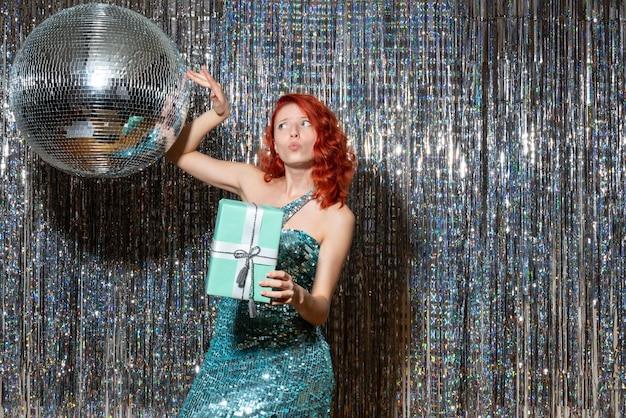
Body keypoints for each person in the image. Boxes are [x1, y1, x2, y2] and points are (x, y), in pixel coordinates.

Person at [166, 66, 356, 417]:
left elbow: (320, 310)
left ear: (323, 135)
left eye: (304, 123)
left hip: (291, 362)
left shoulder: (336, 216)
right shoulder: (251, 182)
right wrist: (217, 114)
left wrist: (298, 295)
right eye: (282, 126)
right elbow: (177, 153)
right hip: (229, 349)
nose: (293, 132)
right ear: (274, 140)